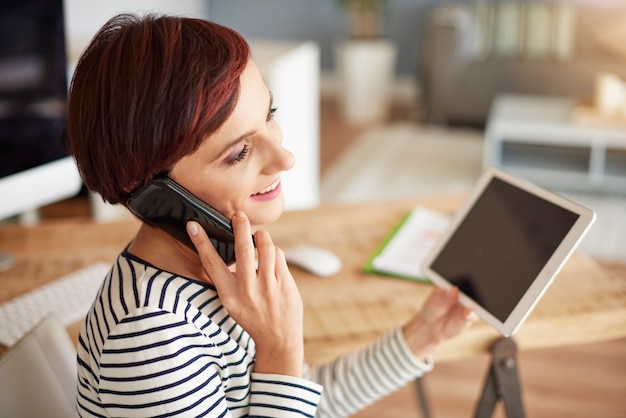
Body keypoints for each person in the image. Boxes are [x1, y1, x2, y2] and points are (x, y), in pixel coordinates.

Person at [67, 13, 475, 418]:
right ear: (154, 194)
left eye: (269, 115)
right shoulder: (151, 340)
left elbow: (300, 400)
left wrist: (424, 334)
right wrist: (279, 347)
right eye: (239, 153)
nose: (285, 157)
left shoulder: (220, 273)